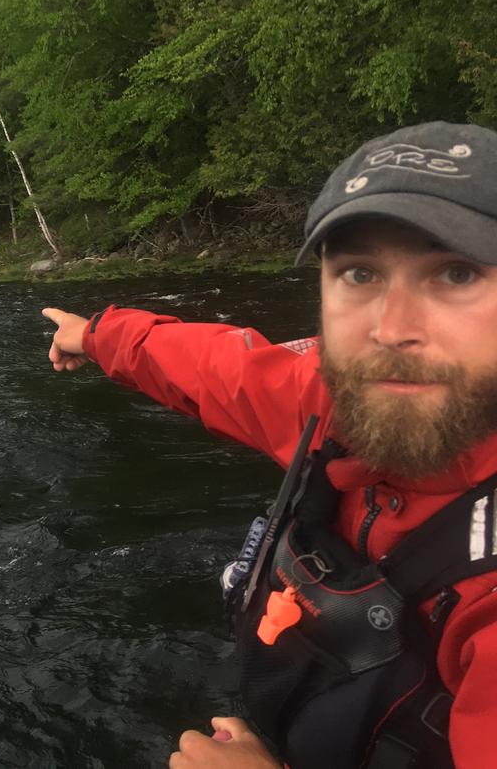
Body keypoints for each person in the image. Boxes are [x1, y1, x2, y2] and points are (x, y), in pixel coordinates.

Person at [42, 121, 497, 769]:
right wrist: (97, 336)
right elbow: (218, 367)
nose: (392, 329)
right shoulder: (338, 404)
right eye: (360, 273)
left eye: (455, 274)